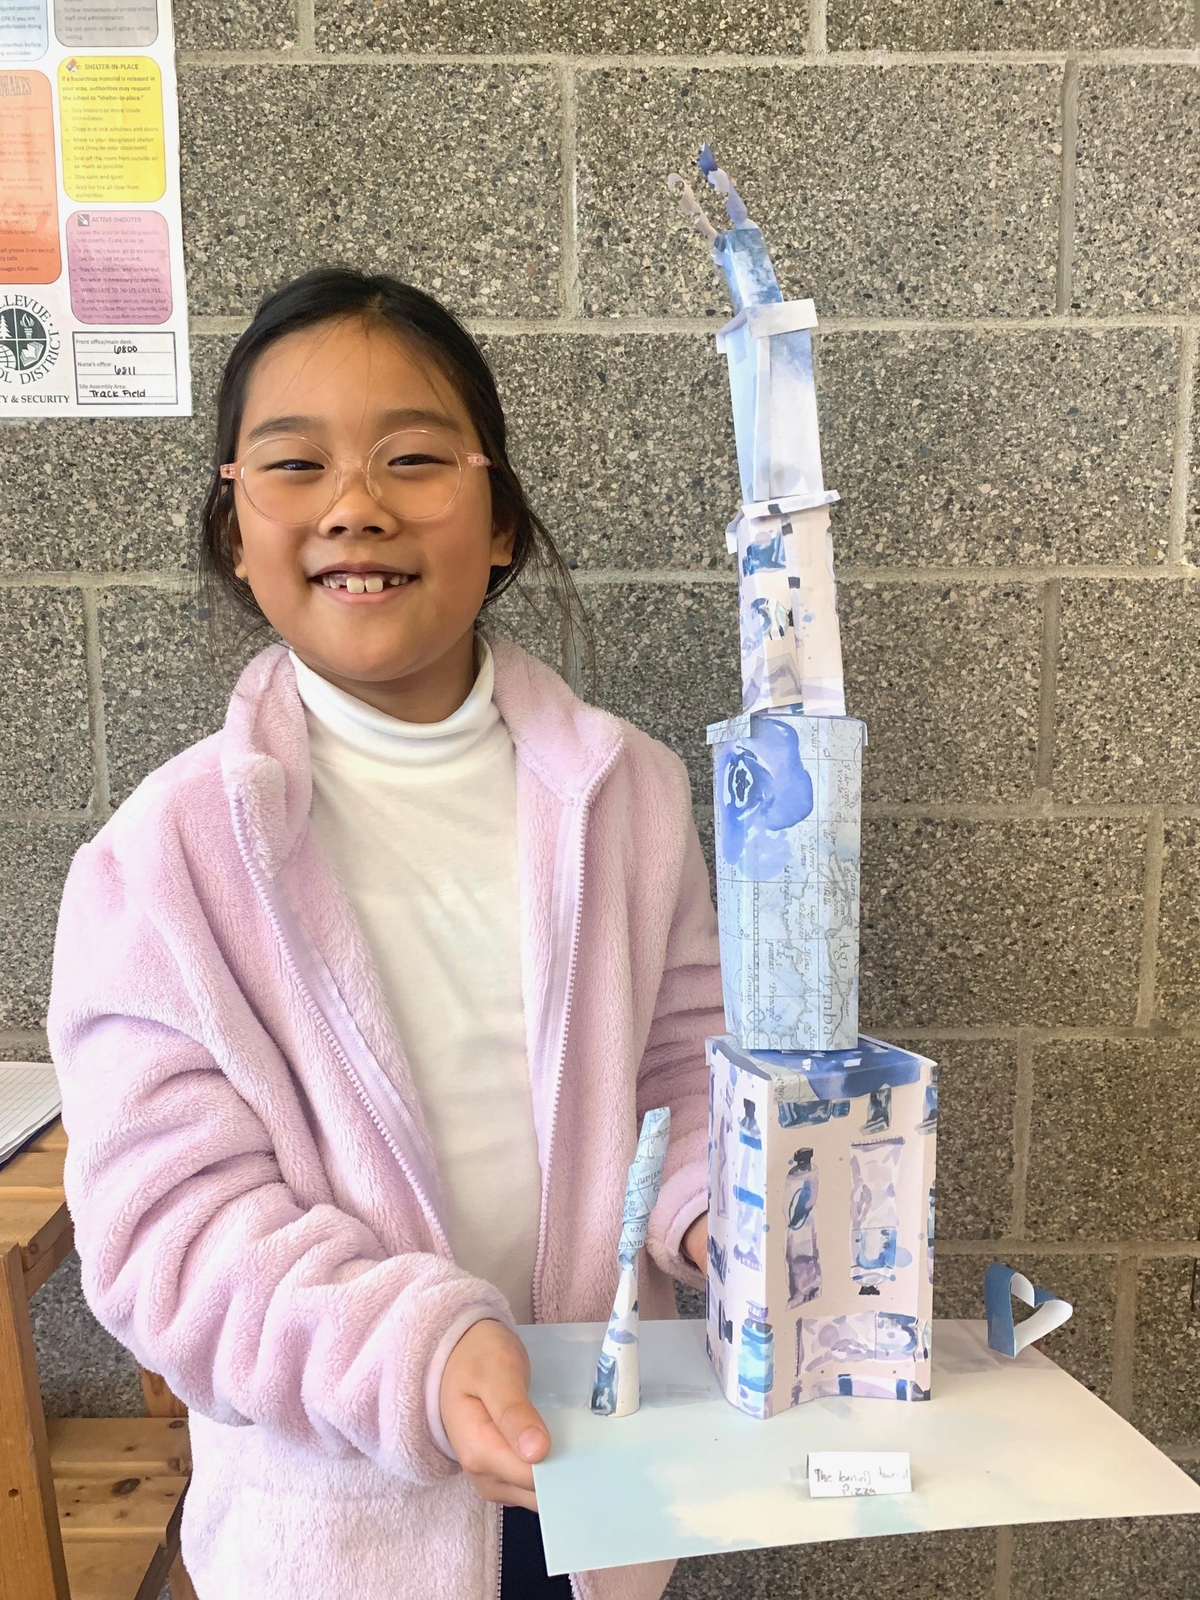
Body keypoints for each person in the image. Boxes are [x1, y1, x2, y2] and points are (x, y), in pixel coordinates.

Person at [47, 269, 721, 1600]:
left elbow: (684, 1071)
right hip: (343, 1530)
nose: (356, 503)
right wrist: (423, 1355)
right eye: (295, 463)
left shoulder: (627, 792)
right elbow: (171, 1231)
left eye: (413, 457)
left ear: (501, 519)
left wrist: (728, 1218)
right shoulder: (161, 859)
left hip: (596, 1481)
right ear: (237, 530)